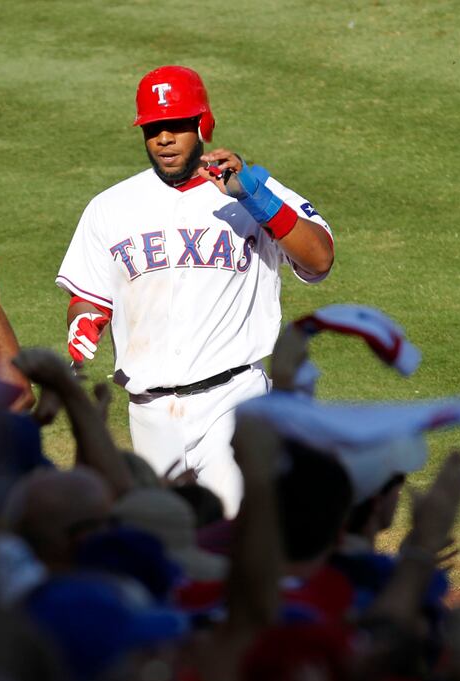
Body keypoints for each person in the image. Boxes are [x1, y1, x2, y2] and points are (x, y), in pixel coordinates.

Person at [55, 65, 335, 516]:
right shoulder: (109, 207)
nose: (164, 137)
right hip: (149, 414)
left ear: (202, 124)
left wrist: (254, 198)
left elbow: (319, 258)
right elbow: (89, 295)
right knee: (160, 550)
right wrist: (83, 318)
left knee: (241, 537)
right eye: (153, 128)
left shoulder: (252, 191)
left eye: (177, 125)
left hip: (234, 401)